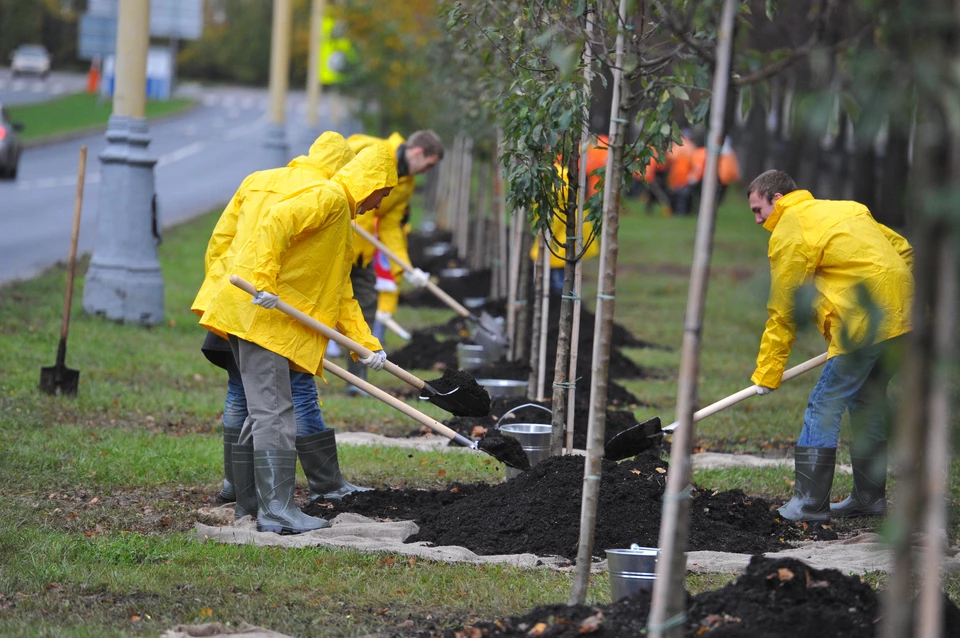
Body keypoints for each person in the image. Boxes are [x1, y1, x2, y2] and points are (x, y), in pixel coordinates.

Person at [196, 143, 397, 534]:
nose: (379, 204)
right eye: (383, 193)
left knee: (262, 411)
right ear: (373, 181)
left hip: (265, 322)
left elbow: (340, 293)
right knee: (274, 412)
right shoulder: (329, 198)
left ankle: (251, 503)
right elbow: (276, 221)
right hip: (261, 319)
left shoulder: (342, 219)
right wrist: (264, 281)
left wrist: (366, 346)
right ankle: (277, 511)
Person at [746, 170, 913, 522]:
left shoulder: (791, 227)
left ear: (777, 198)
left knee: (825, 402)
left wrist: (768, 372)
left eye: (758, 210)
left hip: (865, 322)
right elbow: (901, 248)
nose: (759, 221)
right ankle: (869, 500)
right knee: (866, 399)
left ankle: (809, 503)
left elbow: (784, 306)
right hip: (903, 315)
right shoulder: (847, 208)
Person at [344, 130, 444, 394]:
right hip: (337, 243)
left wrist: (406, 267)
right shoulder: (371, 150)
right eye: (429, 164)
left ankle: (357, 382)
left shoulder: (407, 183)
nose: (427, 171)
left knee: (365, 309)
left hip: (362, 253)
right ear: (417, 152)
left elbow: (390, 225)